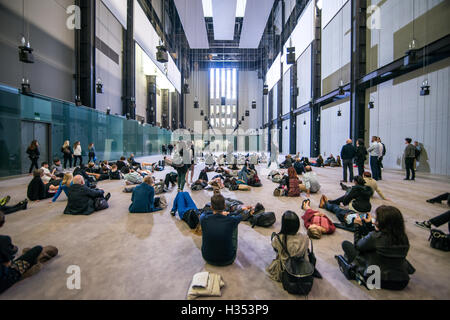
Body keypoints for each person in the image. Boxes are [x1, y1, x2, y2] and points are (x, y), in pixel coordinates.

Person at [340, 206, 412, 290]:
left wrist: (357, 226)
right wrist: (369, 226)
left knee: (346, 244)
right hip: (401, 282)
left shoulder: (375, 237)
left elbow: (358, 246)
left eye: (377, 220)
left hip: (376, 279)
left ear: (382, 223)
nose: (375, 222)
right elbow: (376, 242)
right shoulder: (403, 237)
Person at [0, 226, 58, 294]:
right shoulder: (3, 239)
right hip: (5, 279)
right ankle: (36, 257)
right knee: (38, 248)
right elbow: (7, 263)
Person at [200, 191, 242, 266]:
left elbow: (204, 213)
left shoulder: (203, 218)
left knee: (208, 227)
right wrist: (228, 214)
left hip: (207, 258)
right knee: (234, 225)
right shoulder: (231, 220)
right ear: (225, 206)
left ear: (211, 207)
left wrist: (220, 213)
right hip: (228, 259)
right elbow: (240, 216)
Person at [266, 211, 309, 282]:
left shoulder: (278, 238)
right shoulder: (305, 237)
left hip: (285, 269)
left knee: (274, 238)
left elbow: (274, 246)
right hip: (301, 266)